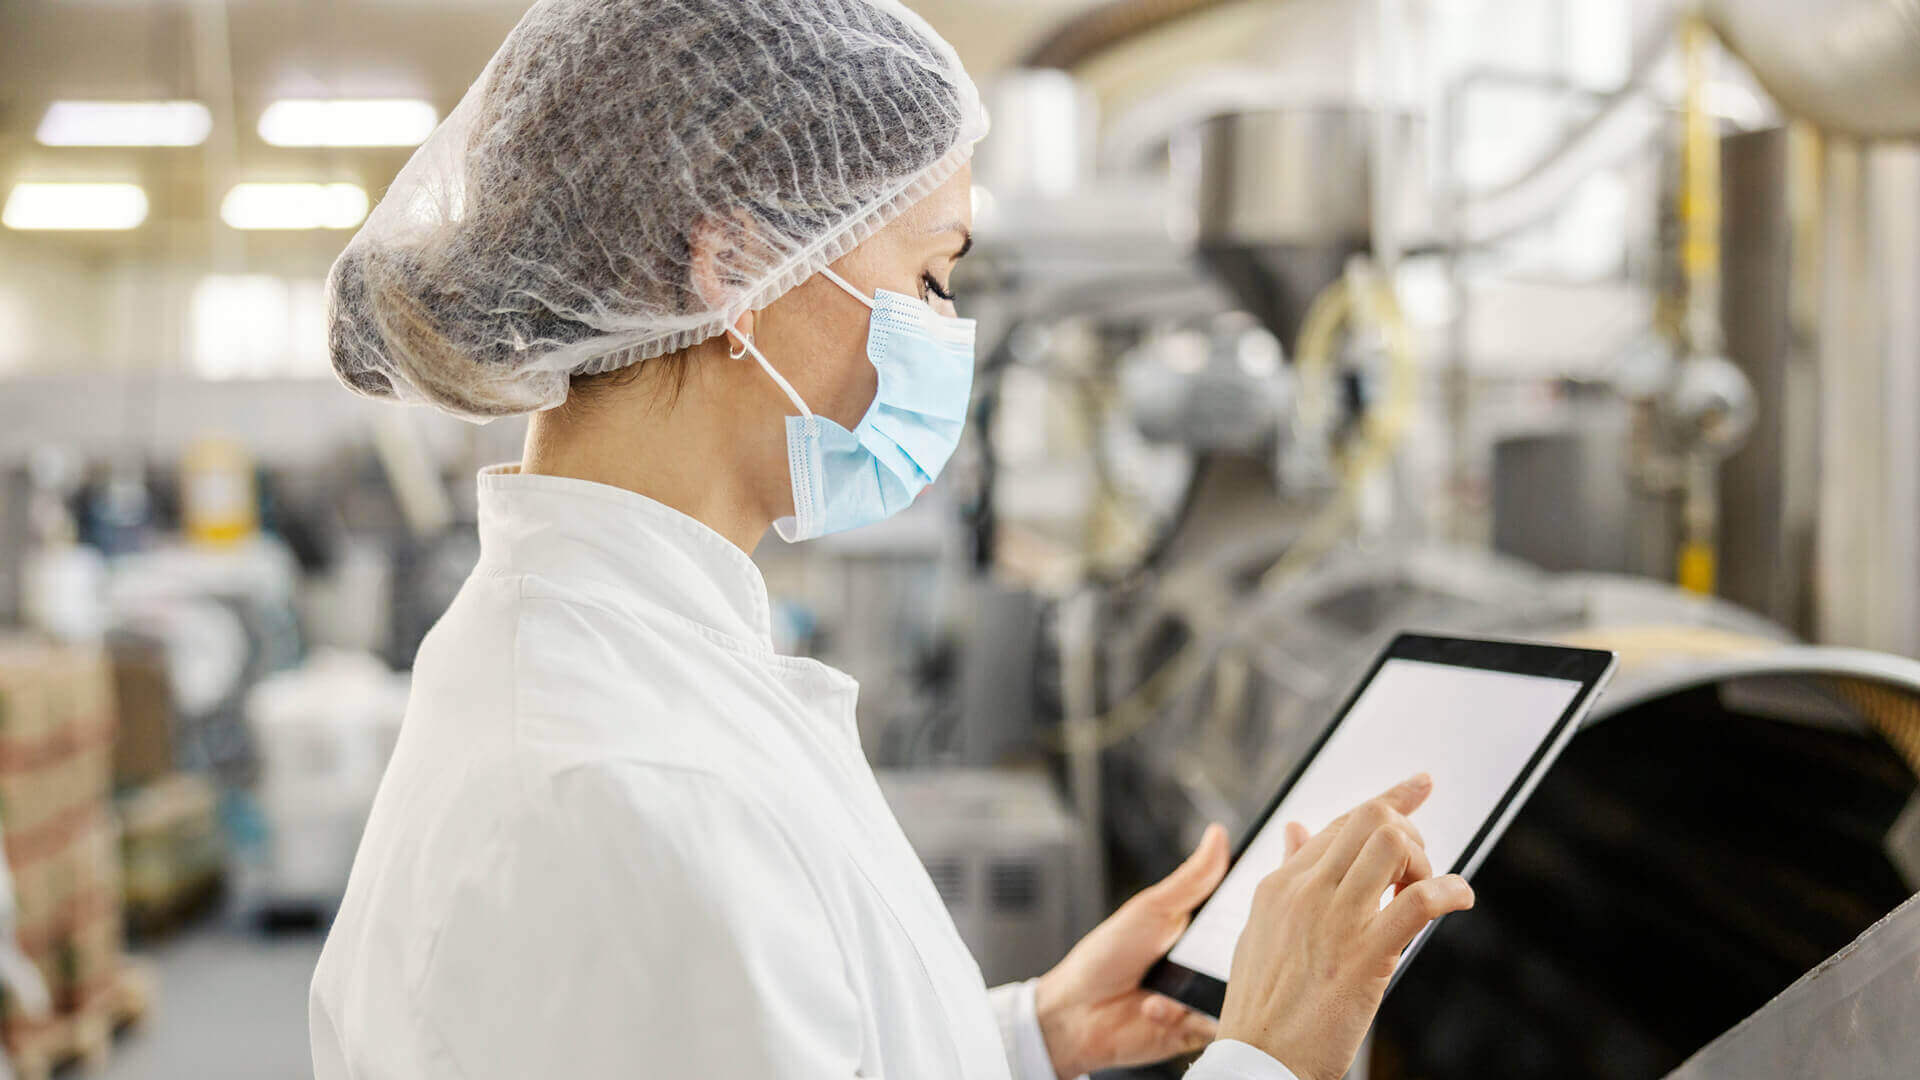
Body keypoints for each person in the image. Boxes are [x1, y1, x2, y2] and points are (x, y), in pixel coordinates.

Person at [309, 1, 1475, 1078]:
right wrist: (1266, 1058)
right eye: (928, 275)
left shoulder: (634, 678)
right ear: (738, 269)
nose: (945, 332)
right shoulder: (636, 787)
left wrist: (1024, 1037)